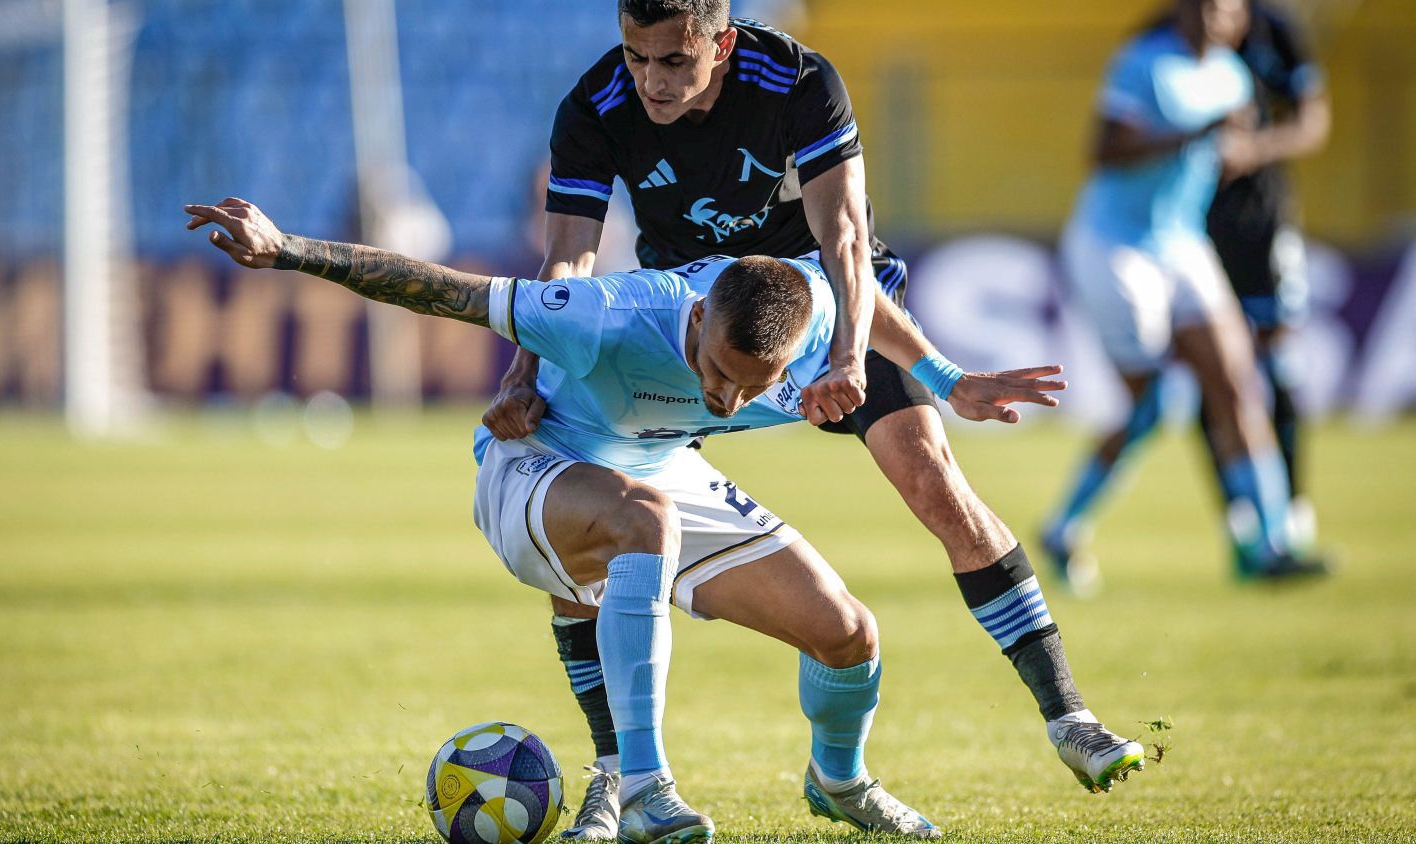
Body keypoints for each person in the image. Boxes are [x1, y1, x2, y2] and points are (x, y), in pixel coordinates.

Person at [184, 197, 1147, 843]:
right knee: (642, 519)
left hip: (656, 468)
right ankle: (643, 785)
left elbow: (858, 301)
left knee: (849, 635)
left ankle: (840, 784)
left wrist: (947, 378)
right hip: (534, 468)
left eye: (756, 386)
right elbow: (443, 289)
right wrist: (288, 249)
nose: (730, 399)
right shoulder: (609, 314)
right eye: (719, 372)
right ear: (695, 322)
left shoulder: (806, 309)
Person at [483, 3, 1144, 835]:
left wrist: (868, 362)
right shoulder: (596, 103)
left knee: (935, 482)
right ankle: (616, 775)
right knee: (592, 470)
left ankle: (1070, 717)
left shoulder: (796, 80)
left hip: (829, 313)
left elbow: (844, 242)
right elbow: (567, 262)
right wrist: (525, 373)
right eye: (636, 56)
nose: (650, 80)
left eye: (673, 61)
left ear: (721, 43)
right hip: (704, 326)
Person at [1043, 0, 1327, 592]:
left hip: (1181, 243)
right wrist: (1193, 135)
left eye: (1224, 8)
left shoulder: (1233, 75)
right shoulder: (1144, 63)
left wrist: (1240, 151)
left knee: (1238, 384)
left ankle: (1274, 544)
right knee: (1149, 406)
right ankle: (1063, 526)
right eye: (1202, 6)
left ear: (1240, 18)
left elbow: (1231, 153)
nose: (1212, 16)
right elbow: (1104, 150)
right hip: (1116, 245)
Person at [1204, 0, 1330, 555]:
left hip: (1263, 221)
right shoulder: (1164, 33)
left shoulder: (1274, 29)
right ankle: (1239, 513)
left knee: (1278, 362)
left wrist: (1253, 149)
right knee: (1209, 370)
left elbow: (1311, 121)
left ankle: (1292, 510)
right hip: (1191, 227)